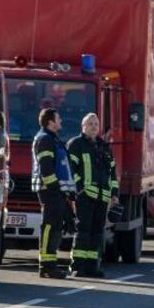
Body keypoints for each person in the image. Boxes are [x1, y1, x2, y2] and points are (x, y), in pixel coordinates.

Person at [66, 113, 119, 278]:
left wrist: (114, 193)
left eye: (96, 124)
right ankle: (77, 267)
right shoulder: (76, 144)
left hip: (102, 197)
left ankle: (92, 267)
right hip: (85, 196)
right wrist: (79, 188)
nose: (94, 126)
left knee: (97, 233)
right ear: (83, 127)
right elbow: (70, 169)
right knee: (83, 231)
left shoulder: (104, 146)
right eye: (90, 124)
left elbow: (112, 173)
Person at [32, 108, 76, 279]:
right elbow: (46, 168)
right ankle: (46, 266)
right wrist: (56, 189)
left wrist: (68, 192)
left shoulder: (52, 139)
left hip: (56, 191)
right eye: (58, 119)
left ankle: (50, 264)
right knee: (50, 226)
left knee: (56, 226)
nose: (61, 121)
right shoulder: (44, 140)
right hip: (49, 190)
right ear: (50, 122)